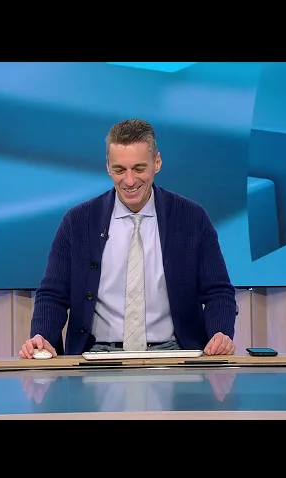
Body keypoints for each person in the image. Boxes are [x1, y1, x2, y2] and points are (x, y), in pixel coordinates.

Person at [19, 118, 238, 358]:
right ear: (108, 167)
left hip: (175, 355)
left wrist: (220, 333)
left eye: (139, 168)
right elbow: (53, 294)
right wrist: (41, 337)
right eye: (120, 170)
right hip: (97, 355)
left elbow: (218, 291)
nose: (130, 180)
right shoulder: (78, 222)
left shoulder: (192, 218)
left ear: (157, 162)